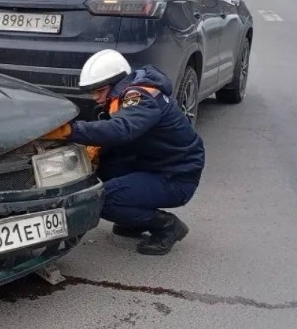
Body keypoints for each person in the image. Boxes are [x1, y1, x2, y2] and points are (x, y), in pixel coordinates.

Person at [40, 50, 205, 256]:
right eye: (93, 92)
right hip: (155, 165)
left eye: (100, 91)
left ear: (117, 83)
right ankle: (133, 219)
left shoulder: (140, 97)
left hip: (177, 178)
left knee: (100, 198)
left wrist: (69, 130)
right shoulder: (127, 92)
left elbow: (123, 129)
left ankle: (167, 226)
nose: (96, 97)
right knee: (98, 170)